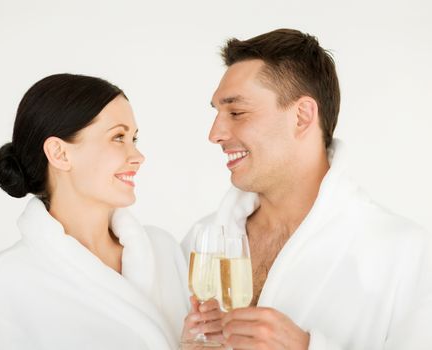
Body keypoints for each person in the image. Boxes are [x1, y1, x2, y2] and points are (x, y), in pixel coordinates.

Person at [182, 29, 432, 349]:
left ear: (301, 116)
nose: (215, 133)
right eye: (217, 113)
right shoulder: (201, 242)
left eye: (236, 112)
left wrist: (307, 348)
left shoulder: (405, 253)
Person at [0, 73, 188, 350]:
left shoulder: (162, 249)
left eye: (134, 138)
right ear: (60, 153)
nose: (138, 156)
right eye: (118, 137)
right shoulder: (11, 277)